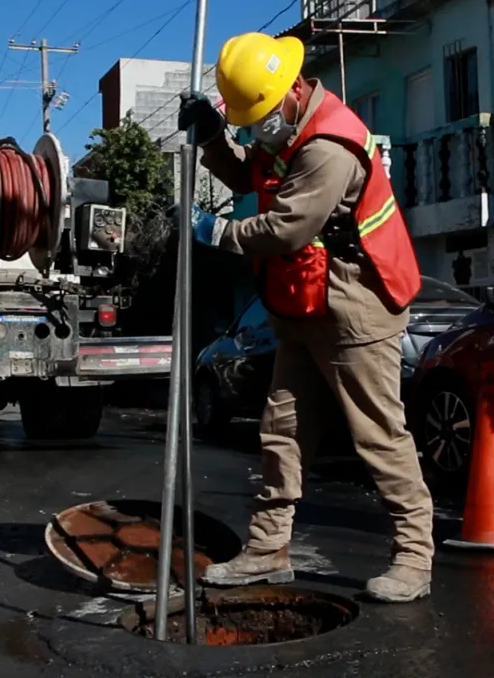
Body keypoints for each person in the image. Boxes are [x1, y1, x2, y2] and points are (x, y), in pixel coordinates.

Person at [176, 31, 434, 603]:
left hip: (358, 307)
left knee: (378, 437)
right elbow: (250, 175)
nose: (257, 126)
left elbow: (285, 227)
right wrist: (216, 139)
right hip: (304, 304)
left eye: (260, 115)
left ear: (294, 88)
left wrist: (214, 230)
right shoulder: (289, 127)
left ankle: (415, 557)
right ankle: (268, 549)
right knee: (283, 432)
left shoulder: (328, 146)